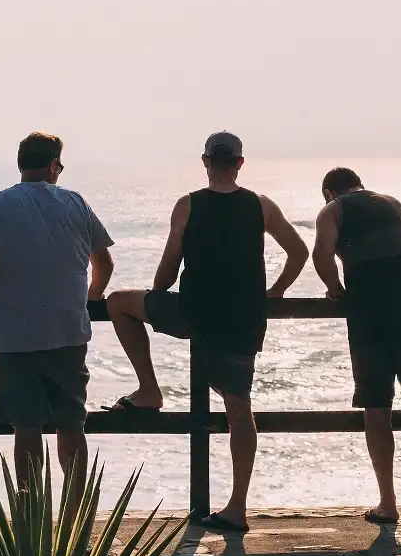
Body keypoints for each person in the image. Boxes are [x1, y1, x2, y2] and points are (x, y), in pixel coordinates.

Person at [105, 132, 308, 532]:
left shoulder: (189, 205)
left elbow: (167, 268)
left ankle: (148, 388)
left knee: (117, 302)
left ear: (205, 161)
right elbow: (298, 252)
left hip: (193, 313)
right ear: (240, 163)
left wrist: (160, 292)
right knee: (239, 411)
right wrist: (276, 291)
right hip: (242, 319)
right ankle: (237, 507)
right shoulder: (262, 206)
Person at [0, 132, 115, 493]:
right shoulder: (76, 203)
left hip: (14, 338)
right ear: (52, 166)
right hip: (67, 333)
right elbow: (103, 263)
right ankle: (78, 514)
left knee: (26, 430)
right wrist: (91, 297)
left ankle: (32, 515)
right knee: (71, 426)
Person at [311, 168, 401, 531]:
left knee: (377, 407)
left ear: (327, 191)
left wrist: (336, 289)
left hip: (370, 316)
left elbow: (321, 256)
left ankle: (387, 501)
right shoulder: (395, 204)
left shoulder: (333, 210)